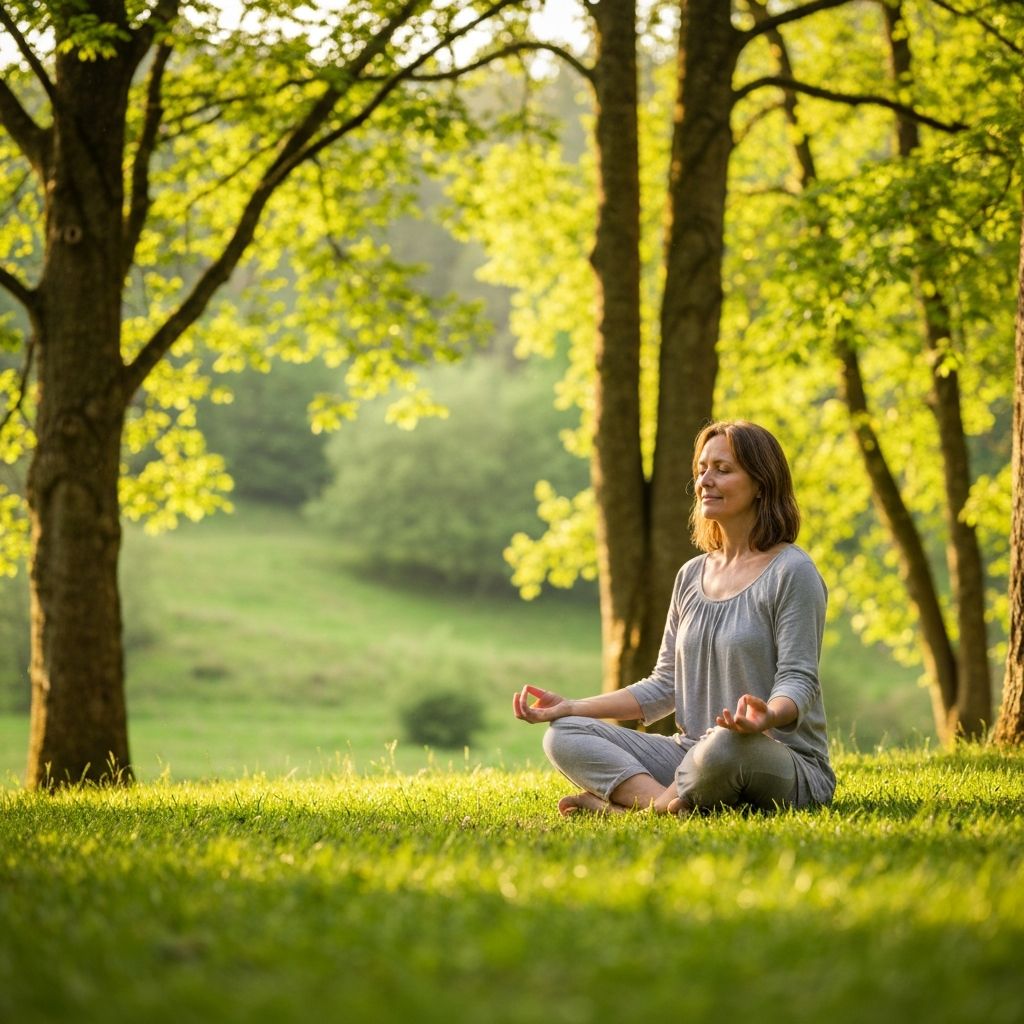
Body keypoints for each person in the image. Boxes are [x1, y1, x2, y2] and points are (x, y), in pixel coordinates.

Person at [512, 419, 835, 816]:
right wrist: (571, 707)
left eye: (723, 469)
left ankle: (633, 809)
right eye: (701, 470)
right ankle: (671, 806)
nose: (705, 481)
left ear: (761, 484)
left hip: (777, 758)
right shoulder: (691, 575)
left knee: (723, 744)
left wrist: (769, 714)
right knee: (564, 735)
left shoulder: (792, 571)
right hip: (691, 756)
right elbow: (664, 685)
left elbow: (798, 678)